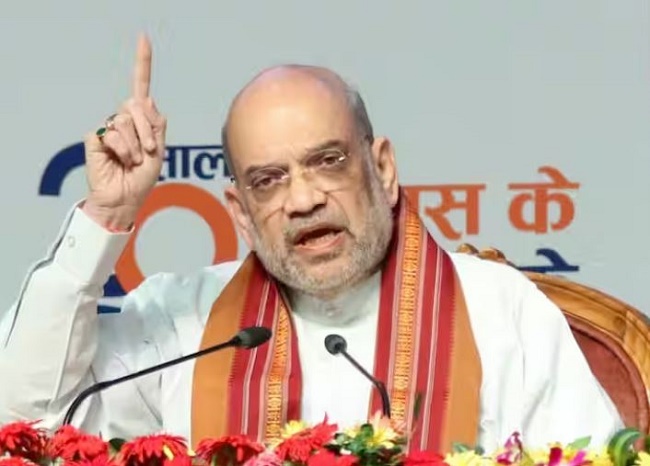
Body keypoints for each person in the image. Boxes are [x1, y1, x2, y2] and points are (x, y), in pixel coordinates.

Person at [0, 36, 622, 454]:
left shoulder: (498, 309)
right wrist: (108, 212)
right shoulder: (182, 321)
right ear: (241, 213)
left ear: (383, 169)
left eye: (327, 162)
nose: (302, 200)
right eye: (268, 180)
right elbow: (21, 422)